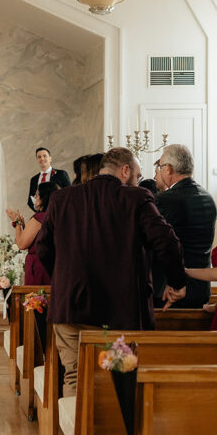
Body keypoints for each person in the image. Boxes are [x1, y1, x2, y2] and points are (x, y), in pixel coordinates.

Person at [34, 147, 186, 395]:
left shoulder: (62, 199)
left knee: (74, 377)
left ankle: (76, 434)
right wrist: (177, 283)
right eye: (136, 175)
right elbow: (167, 242)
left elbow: (43, 249)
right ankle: (112, 434)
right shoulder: (136, 198)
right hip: (120, 311)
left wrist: (65, 279)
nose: (137, 180)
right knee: (118, 381)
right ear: (125, 171)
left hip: (69, 306)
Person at [151, 144, 217, 309]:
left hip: (170, 288)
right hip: (201, 287)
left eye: (159, 166)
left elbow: (161, 244)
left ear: (168, 169)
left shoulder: (166, 200)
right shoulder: (207, 197)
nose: (158, 171)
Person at [5, 181, 60, 286]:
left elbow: (21, 244)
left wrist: (17, 223)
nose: (35, 197)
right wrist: (24, 226)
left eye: (37, 194)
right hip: (52, 264)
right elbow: (40, 238)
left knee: (36, 300)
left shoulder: (39, 218)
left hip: (38, 266)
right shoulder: (55, 215)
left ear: (44, 198)